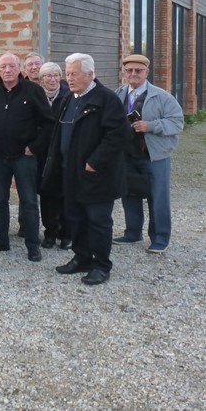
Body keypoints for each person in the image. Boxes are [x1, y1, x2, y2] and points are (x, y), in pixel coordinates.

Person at [42, 53, 130, 285]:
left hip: (97, 175)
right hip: (69, 172)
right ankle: (82, 258)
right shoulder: (68, 99)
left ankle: (101, 265)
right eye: (68, 74)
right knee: (74, 218)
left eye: (74, 74)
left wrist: (95, 161)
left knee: (98, 220)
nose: (69, 79)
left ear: (90, 74)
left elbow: (118, 135)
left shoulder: (106, 99)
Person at [0, 52, 54, 262]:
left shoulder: (34, 90)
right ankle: (1, 240)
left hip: (24, 156)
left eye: (11, 66)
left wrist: (35, 147)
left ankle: (32, 245)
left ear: (20, 69)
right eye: (3, 67)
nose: (7, 70)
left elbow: (48, 123)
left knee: (28, 201)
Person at [113, 53, 184, 253]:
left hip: (154, 156)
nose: (133, 74)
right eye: (129, 70)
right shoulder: (118, 94)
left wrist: (150, 125)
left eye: (138, 70)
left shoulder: (162, 96)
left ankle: (160, 238)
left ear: (147, 72)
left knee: (158, 197)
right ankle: (133, 233)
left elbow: (177, 122)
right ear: (124, 72)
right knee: (129, 194)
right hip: (127, 155)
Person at [38, 61, 70, 248]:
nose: (53, 79)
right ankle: (49, 232)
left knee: (65, 194)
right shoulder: (36, 96)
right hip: (42, 152)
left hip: (63, 152)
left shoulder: (69, 96)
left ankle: (66, 233)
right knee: (46, 193)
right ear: (41, 80)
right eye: (48, 76)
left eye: (56, 75)